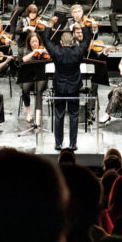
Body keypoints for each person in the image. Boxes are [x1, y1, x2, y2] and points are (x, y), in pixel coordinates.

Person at [41, 14, 94, 151]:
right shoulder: (78, 51)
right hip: (74, 87)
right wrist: (81, 23)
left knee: (59, 115)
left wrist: (50, 24)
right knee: (73, 116)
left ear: (60, 42)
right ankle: (72, 144)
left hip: (59, 86)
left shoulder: (56, 51)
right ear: (72, 42)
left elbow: (45, 39)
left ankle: (58, 144)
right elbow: (87, 38)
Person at [20, 32, 50, 129]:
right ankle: (28, 113)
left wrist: (46, 52)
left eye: (36, 41)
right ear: (29, 43)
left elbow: (50, 58)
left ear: (39, 41)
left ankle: (37, 118)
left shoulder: (43, 49)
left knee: (39, 91)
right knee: (25, 89)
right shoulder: (27, 50)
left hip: (41, 77)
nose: (34, 43)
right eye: (32, 42)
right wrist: (34, 52)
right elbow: (24, 59)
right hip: (30, 76)